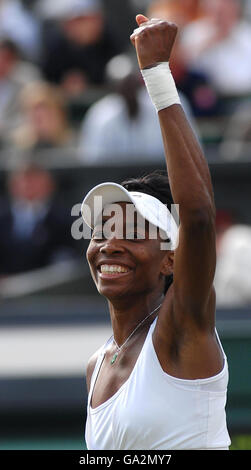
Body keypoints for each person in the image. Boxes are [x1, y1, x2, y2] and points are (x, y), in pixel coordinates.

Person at [81, 15, 231, 450]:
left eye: (132, 230)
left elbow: (199, 213)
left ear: (171, 258)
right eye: (103, 229)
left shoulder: (183, 324)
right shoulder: (96, 366)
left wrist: (157, 75)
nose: (110, 243)